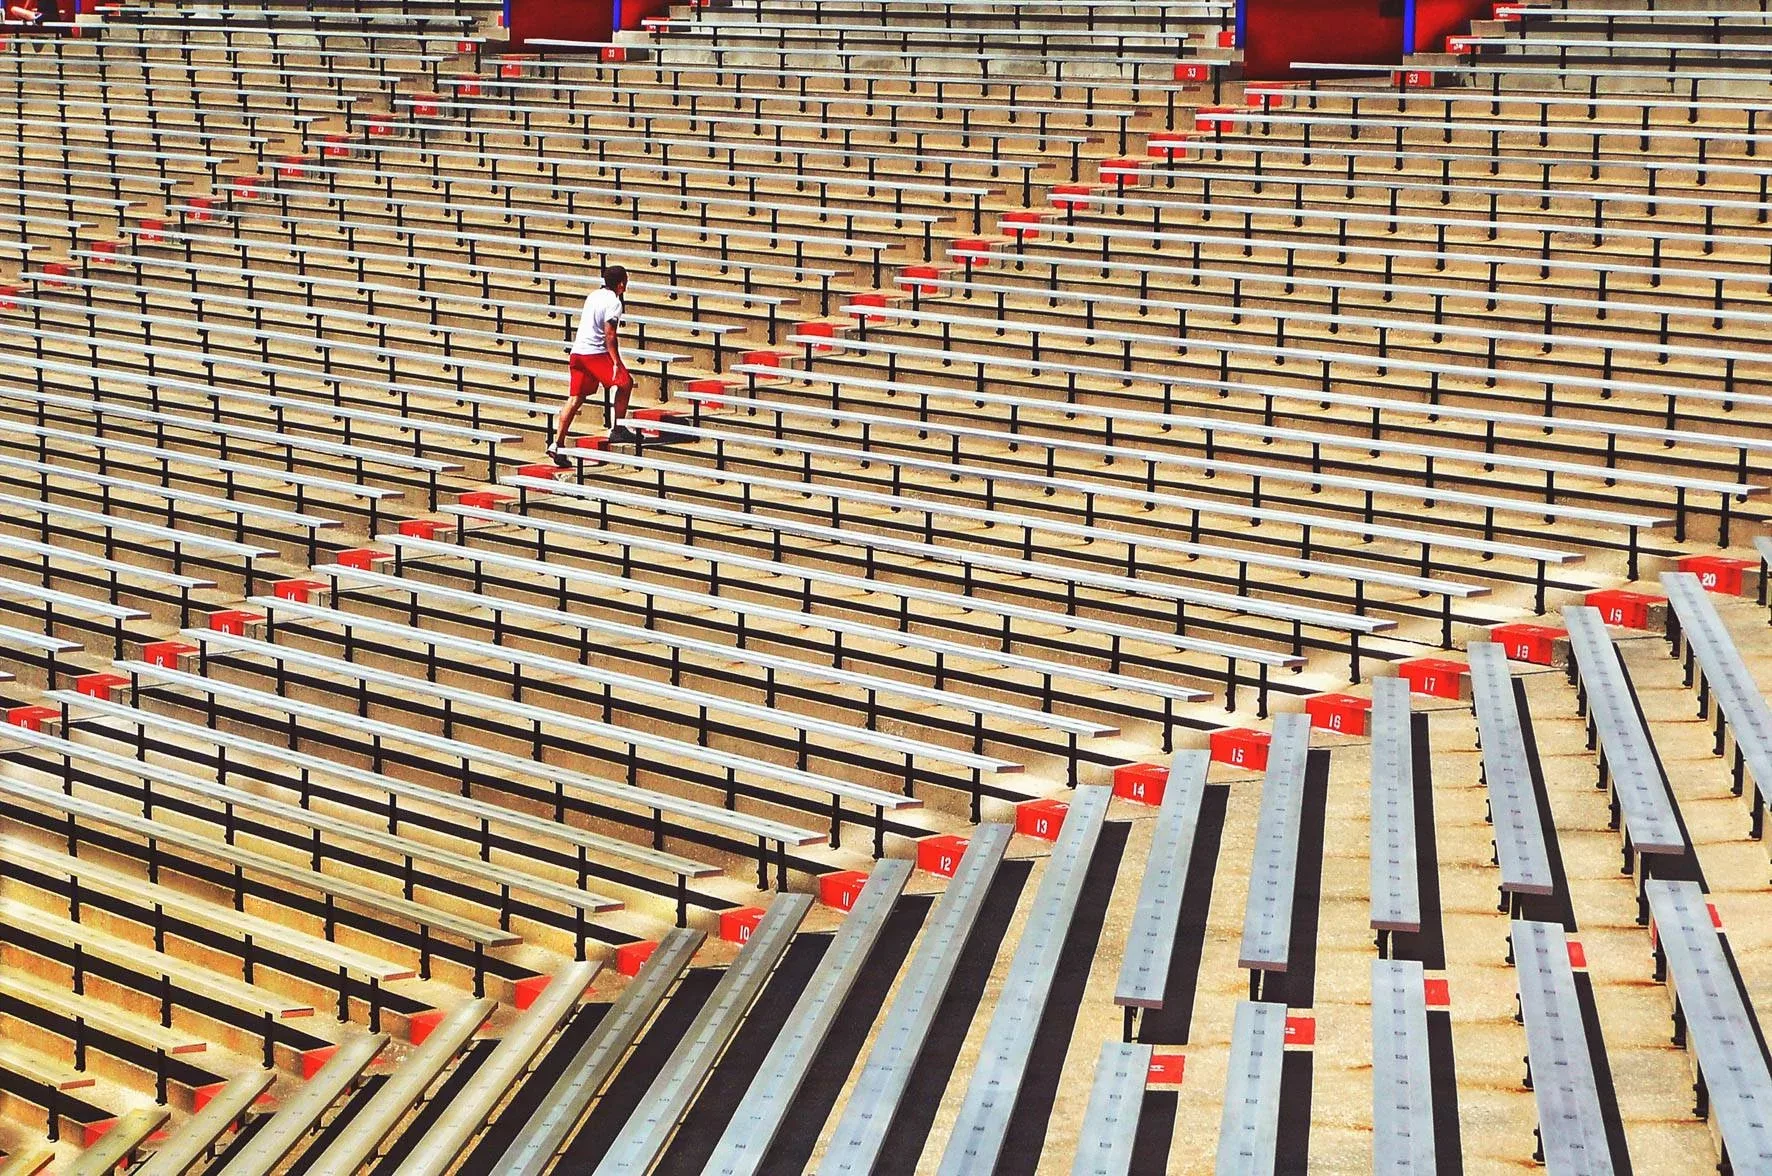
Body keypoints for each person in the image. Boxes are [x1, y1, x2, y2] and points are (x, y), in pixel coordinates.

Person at [552, 265, 633, 465]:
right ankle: (618, 427)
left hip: (578, 352)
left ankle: (557, 444)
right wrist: (616, 362)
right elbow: (610, 334)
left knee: (575, 398)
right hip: (594, 353)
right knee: (626, 383)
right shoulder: (614, 302)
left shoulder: (593, 295)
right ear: (621, 284)